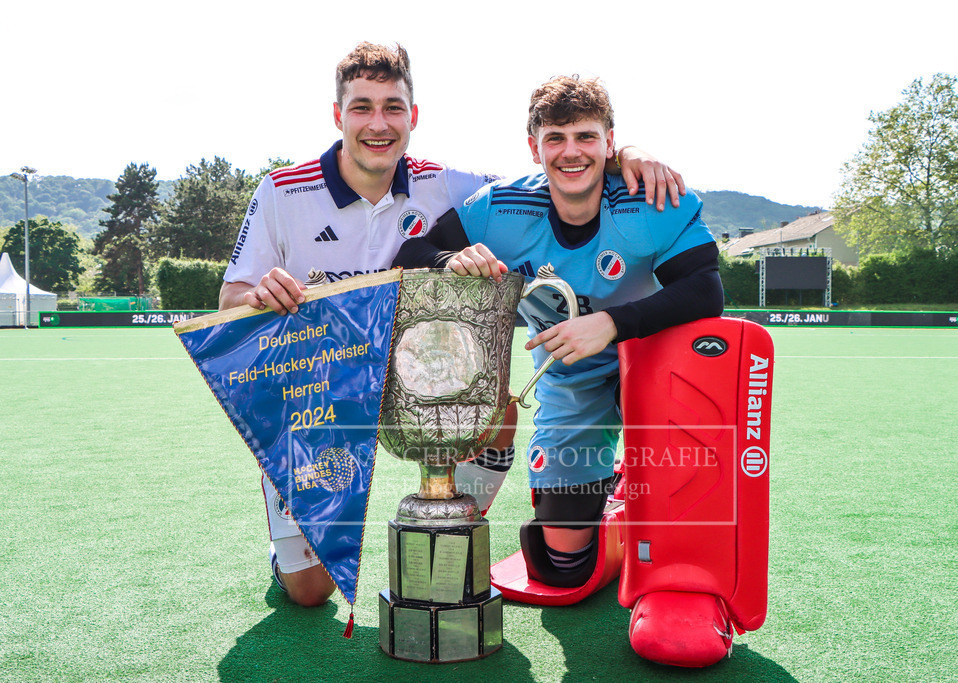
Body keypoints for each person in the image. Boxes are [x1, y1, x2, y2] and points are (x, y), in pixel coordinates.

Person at [220, 43, 688, 606]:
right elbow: (231, 301)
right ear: (337, 114)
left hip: (414, 378)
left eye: (393, 107)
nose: (378, 123)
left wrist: (625, 153)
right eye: (362, 107)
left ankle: (451, 526)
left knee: (497, 413)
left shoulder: (447, 185)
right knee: (309, 593)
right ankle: (290, 546)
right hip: (322, 392)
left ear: (412, 116)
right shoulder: (282, 191)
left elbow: (554, 169)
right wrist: (258, 294)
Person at [392, 74, 724, 587]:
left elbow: (706, 292)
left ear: (610, 143)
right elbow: (411, 255)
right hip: (572, 379)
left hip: (654, 365)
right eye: (556, 138)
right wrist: (451, 257)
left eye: (586, 137)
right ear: (534, 148)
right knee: (563, 567)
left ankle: (654, 500)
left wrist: (613, 324)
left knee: (684, 460)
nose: (572, 152)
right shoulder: (500, 208)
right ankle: (611, 492)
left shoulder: (650, 197)